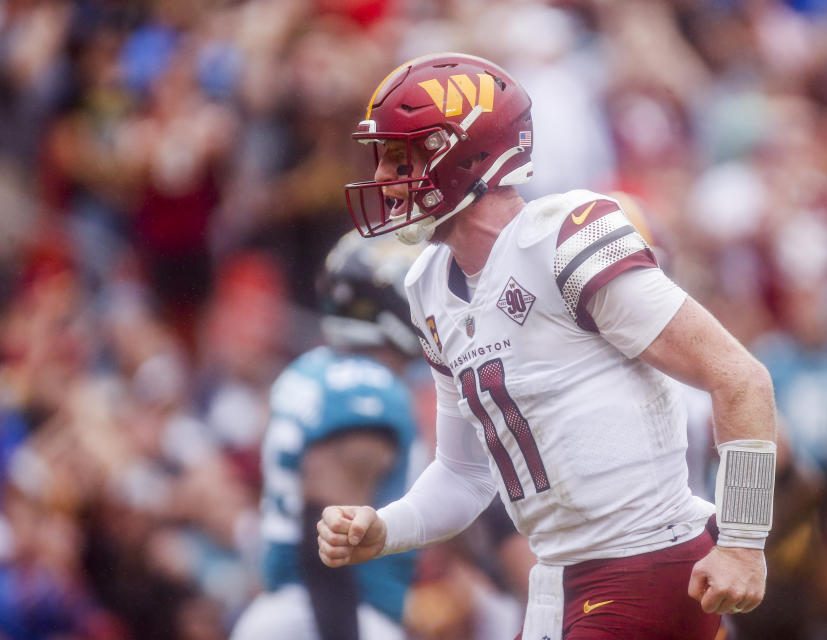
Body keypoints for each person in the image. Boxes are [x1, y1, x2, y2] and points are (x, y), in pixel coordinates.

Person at [320, 52, 777, 640]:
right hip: (558, 576)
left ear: (467, 152)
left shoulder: (564, 235)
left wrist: (742, 543)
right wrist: (387, 529)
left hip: (646, 559)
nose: (384, 179)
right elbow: (463, 474)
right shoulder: (428, 285)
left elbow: (739, 376)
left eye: (401, 156)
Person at [231, 232, 423, 640]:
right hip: (330, 614)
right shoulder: (369, 391)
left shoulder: (309, 372)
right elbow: (328, 530)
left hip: (294, 609)